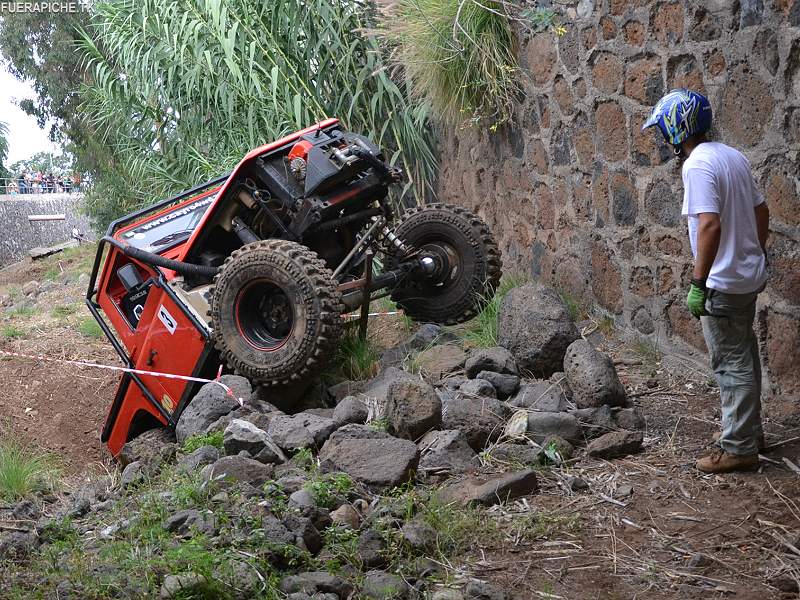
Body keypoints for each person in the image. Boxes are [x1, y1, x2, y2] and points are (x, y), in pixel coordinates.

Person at [643, 89, 770, 474]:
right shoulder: (732, 156)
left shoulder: (696, 165)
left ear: (675, 128)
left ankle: (738, 448)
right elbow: (761, 209)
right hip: (745, 277)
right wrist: (755, 253)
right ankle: (748, 432)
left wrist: (699, 282)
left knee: (731, 363)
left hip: (722, 282)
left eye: (663, 130)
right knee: (745, 356)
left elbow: (709, 223)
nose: (663, 138)